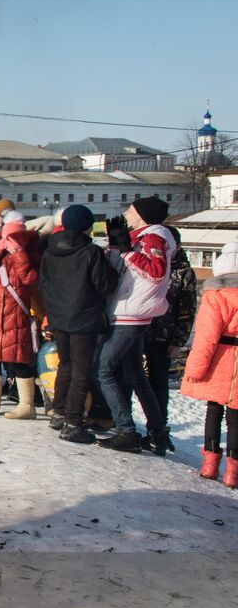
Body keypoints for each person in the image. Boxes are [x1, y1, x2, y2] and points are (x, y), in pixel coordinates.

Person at [96, 197, 175, 453]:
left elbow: (155, 272)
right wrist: (118, 247)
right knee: (136, 376)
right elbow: (124, 269)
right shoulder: (145, 237)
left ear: (141, 215)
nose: (126, 214)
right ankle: (157, 434)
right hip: (134, 312)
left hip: (130, 314)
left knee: (104, 370)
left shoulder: (154, 238)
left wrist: (128, 251)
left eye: (130, 210)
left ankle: (126, 430)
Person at [38, 204, 117, 443]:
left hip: (59, 317)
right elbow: (106, 285)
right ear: (87, 226)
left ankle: (59, 413)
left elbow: (43, 285)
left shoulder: (50, 251)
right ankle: (73, 423)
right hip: (84, 318)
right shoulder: (91, 252)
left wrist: (52, 312)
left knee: (66, 365)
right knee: (82, 370)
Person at [0, 215, 41, 419]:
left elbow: (30, 280)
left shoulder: (31, 253)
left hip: (15, 314)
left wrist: (19, 254)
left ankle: (27, 405)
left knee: (19, 359)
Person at [139, 225, 195, 454]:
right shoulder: (152, 263)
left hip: (164, 337)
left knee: (158, 383)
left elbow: (187, 311)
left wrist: (178, 342)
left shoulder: (183, 272)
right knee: (131, 378)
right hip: (139, 331)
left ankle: (158, 431)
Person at [186, 243, 238, 486]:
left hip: (220, 358)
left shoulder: (214, 297)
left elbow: (206, 337)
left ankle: (209, 464)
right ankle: (233, 471)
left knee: (214, 410)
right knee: (236, 416)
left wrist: (195, 369)